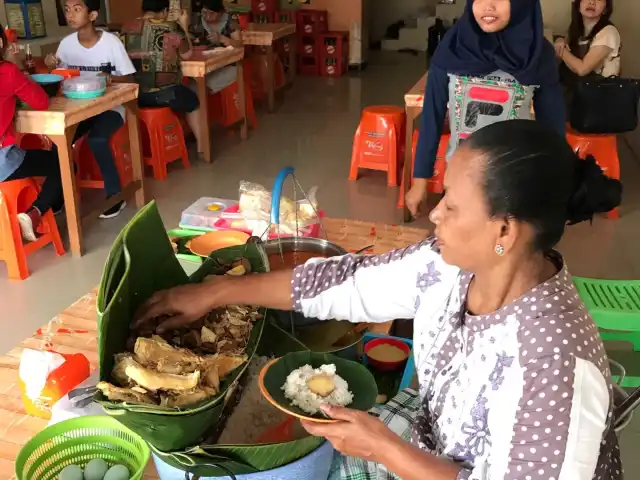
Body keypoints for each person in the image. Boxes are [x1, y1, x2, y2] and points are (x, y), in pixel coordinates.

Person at [134, 120, 622, 480]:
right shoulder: (447, 266)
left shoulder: (554, 362)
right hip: (430, 445)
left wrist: (387, 450)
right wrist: (216, 291)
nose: (434, 215)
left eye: (451, 205)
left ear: (504, 230)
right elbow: (345, 283)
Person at [406, 0, 565, 218]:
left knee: (505, 249)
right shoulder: (453, 46)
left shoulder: (538, 54)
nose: (488, 6)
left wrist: (556, 188)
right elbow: (431, 118)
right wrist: (420, 181)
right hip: (460, 180)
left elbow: (552, 130)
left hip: (515, 184)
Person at [45, 0, 136, 219]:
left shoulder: (111, 43)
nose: (70, 15)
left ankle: (115, 194)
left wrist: (109, 78)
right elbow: (61, 76)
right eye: (67, 10)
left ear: (93, 15)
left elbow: (130, 78)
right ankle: (58, 195)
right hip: (79, 108)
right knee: (58, 142)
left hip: (111, 108)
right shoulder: (66, 44)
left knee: (97, 139)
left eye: (77, 9)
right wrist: (52, 66)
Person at [0, 27, 64, 242]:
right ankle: (34, 213)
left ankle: (50, 205)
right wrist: (14, 63)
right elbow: (41, 101)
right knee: (63, 164)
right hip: (2, 162)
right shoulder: (6, 71)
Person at [122, 0, 204, 154]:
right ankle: (202, 147)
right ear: (165, 10)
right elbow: (187, 55)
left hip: (133, 95)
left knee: (186, 91)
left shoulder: (126, 27)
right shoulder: (171, 28)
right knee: (193, 99)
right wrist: (184, 27)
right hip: (163, 95)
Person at [555, 0, 620, 95]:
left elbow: (582, 69)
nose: (592, 2)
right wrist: (559, 40)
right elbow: (561, 58)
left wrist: (561, 49)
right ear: (578, 4)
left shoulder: (608, 32)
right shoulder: (576, 29)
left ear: (606, 8)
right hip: (576, 94)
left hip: (601, 96)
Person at [194, 0, 242, 94]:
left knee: (206, 86)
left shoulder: (230, 20)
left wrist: (222, 39)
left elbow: (239, 44)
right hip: (204, 65)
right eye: (204, 12)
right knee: (194, 84)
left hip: (227, 64)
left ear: (220, 13)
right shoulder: (197, 20)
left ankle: (205, 98)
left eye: (211, 13)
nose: (207, 16)